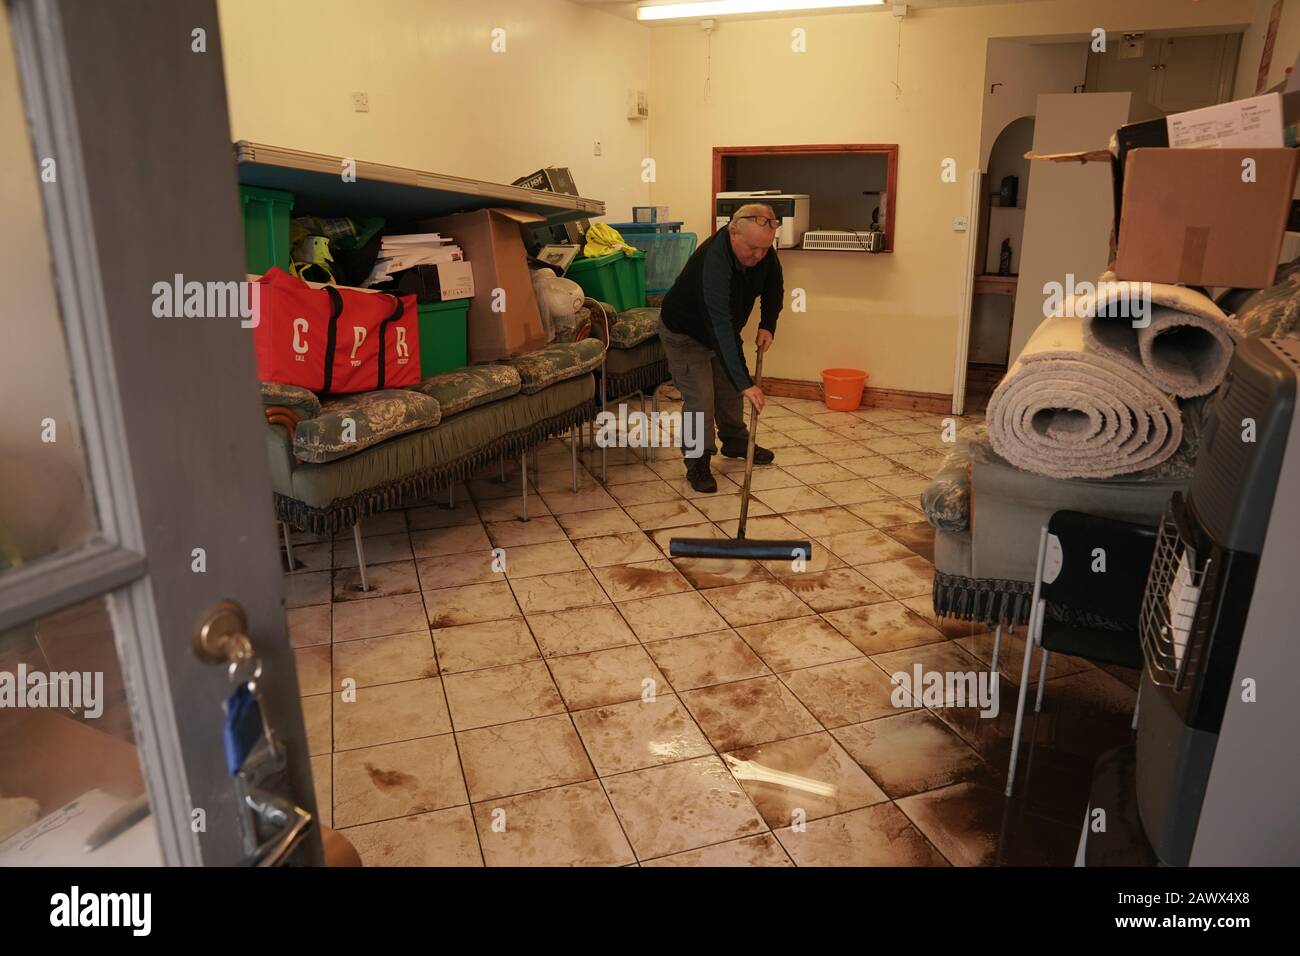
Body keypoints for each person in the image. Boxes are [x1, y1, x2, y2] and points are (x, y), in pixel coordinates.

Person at [657, 204, 784, 493]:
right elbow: (720, 327)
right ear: (733, 232)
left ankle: (735, 441)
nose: (759, 256)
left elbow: (774, 285)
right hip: (685, 335)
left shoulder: (761, 248)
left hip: (719, 329)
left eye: (765, 249)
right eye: (753, 248)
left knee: (728, 390)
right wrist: (747, 383)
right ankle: (697, 461)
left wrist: (768, 324)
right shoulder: (713, 263)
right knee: (701, 399)